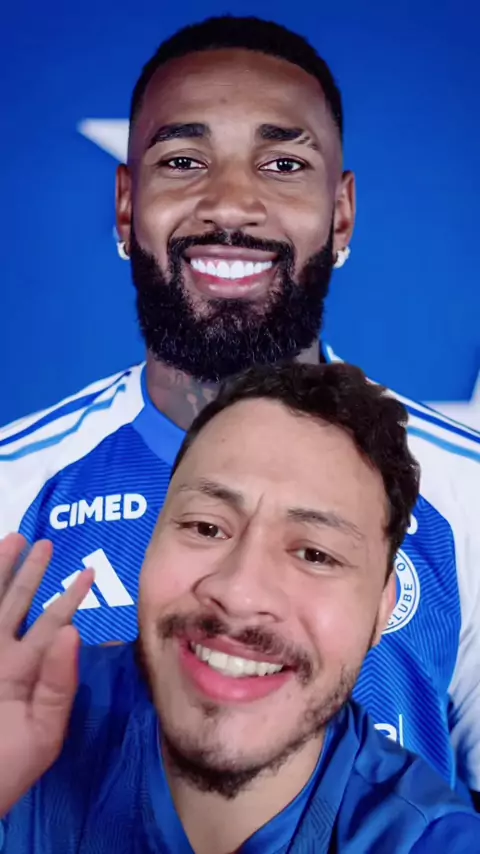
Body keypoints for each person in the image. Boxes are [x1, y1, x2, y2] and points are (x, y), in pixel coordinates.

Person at [0, 14, 479, 802]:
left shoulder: (468, 497)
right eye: (183, 161)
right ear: (126, 205)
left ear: (342, 213)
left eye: (283, 164)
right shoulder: (16, 490)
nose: (229, 203)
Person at [1, 362, 479, 853]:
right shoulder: (20, 726)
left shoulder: (432, 841)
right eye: (206, 527)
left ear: (382, 610)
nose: (240, 593)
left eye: (315, 554)